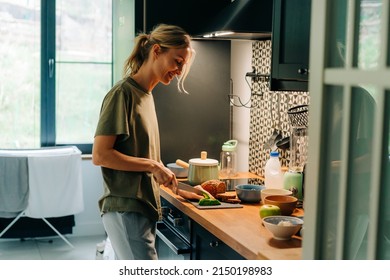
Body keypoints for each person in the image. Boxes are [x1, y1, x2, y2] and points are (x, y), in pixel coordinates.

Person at [92, 24, 202, 260]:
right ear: (156, 51)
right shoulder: (122, 94)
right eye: (177, 61)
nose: (180, 71)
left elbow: (146, 158)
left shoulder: (146, 95)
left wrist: (181, 188)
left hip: (140, 208)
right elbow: (100, 155)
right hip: (125, 208)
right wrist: (154, 166)